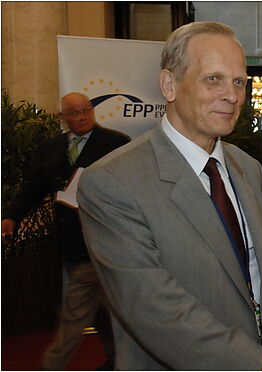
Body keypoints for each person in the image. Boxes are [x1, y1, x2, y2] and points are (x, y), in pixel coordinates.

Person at [77, 21, 262, 370]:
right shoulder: (111, 182)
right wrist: (259, 363)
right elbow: (151, 307)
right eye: (213, 78)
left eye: (239, 81)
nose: (232, 94)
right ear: (169, 85)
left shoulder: (248, 168)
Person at [2, 92, 130, 370]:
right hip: (73, 245)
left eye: (86, 110)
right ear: (63, 117)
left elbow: (132, 188)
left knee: (82, 312)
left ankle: (53, 365)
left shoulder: (117, 143)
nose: (82, 116)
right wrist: (11, 216)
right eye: (75, 112)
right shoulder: (50, 149)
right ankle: (116, 359)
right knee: (103, 308)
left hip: (110, 243)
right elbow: (32, 187)